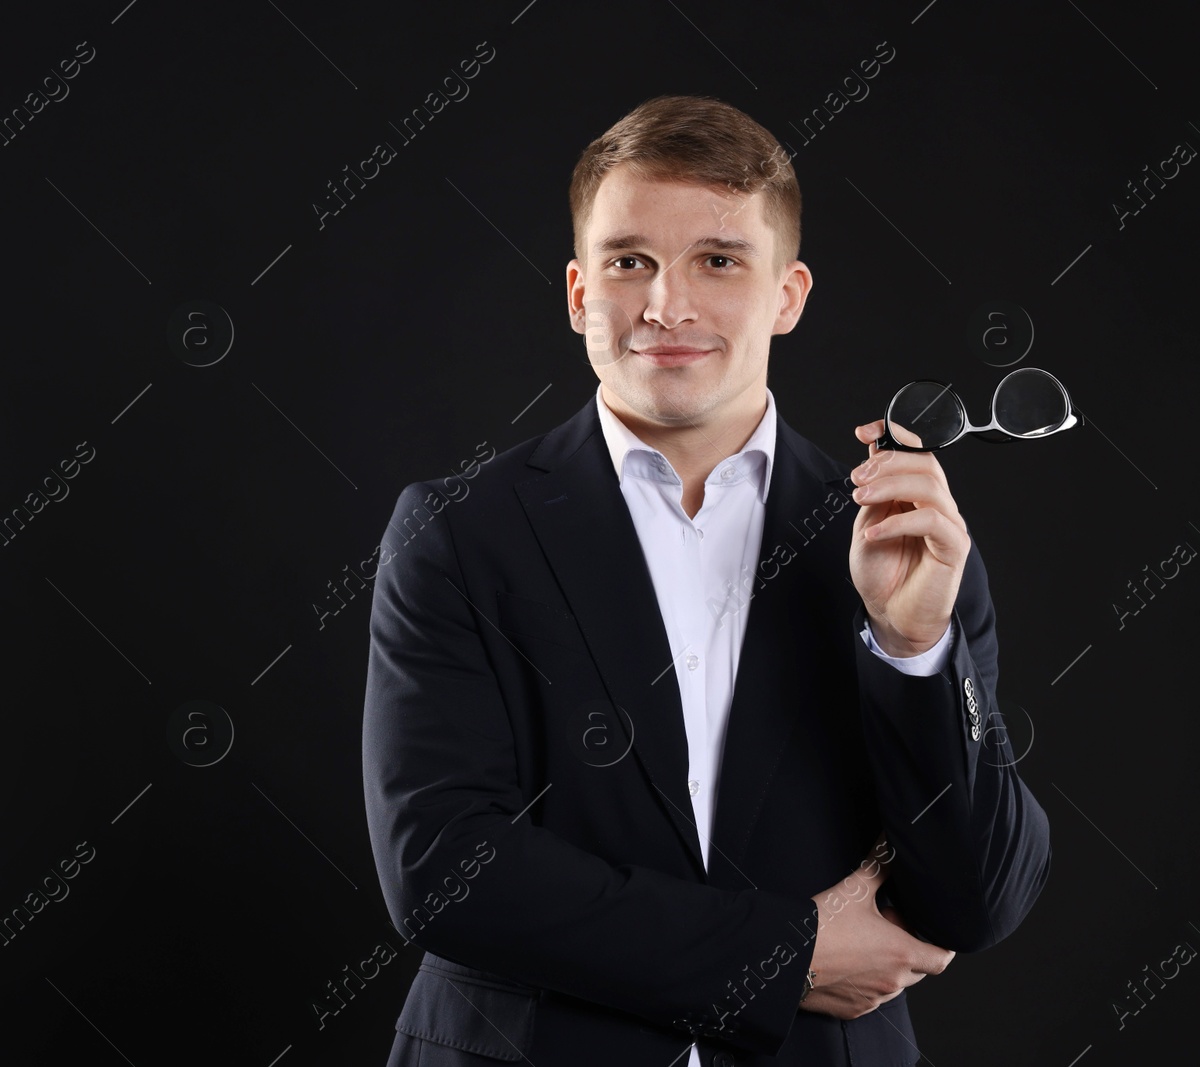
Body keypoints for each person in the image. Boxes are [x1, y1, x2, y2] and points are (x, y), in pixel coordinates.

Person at [361, 94, 1050, 1067]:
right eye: (627, 260)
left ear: (787, 294)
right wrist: (780, 955)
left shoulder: (902, 535)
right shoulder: (455, 530)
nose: (665, 305)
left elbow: (977, 898)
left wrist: (911, 648)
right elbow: (442, 867)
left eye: (718, 260)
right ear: (575, 293)